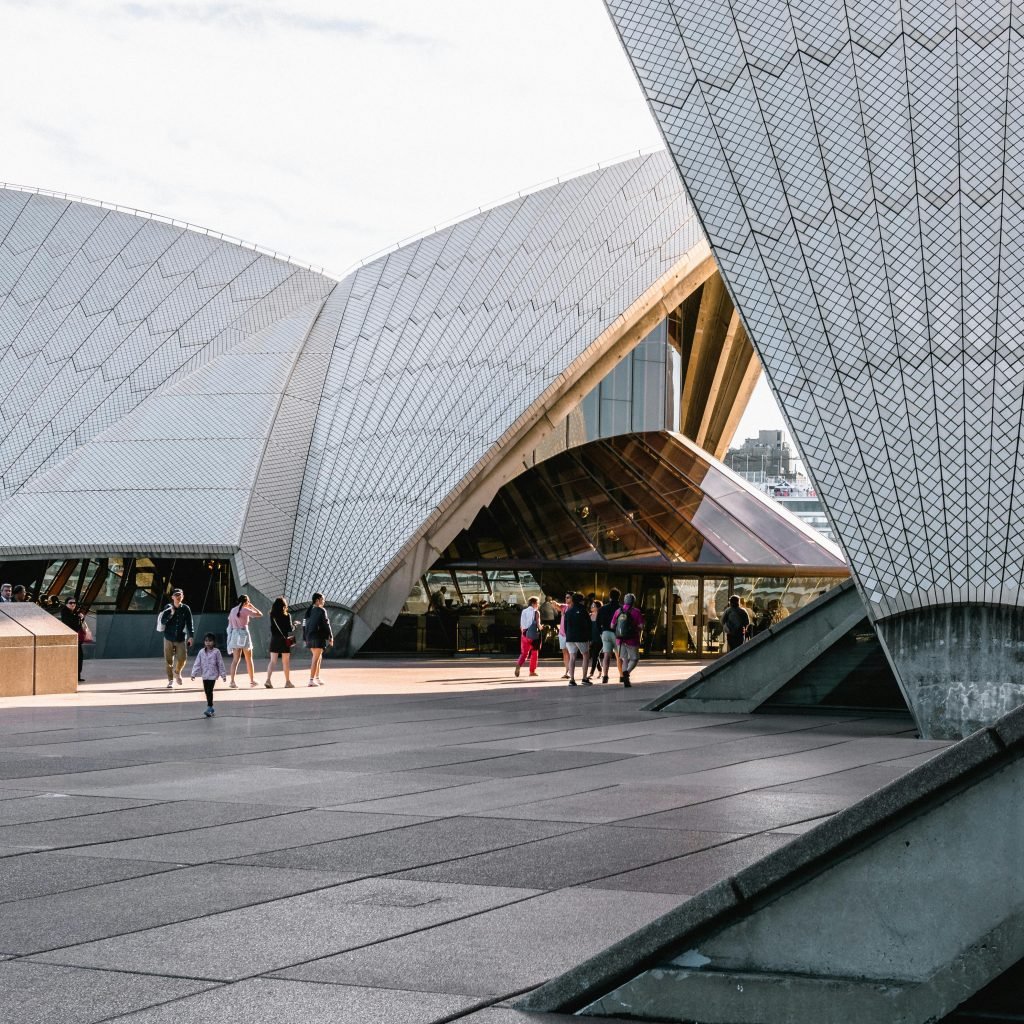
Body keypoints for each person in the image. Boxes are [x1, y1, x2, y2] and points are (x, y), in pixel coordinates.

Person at [157, 588, 194, 688]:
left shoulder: (186, 608)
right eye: (176, 595)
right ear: (172, 597)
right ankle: (170, 680)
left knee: (182, 658)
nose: (178, 597)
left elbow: (189, 623)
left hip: (180, 638)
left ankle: (177, 671)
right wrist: (170, 614)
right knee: (169, 661)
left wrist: (191, 636)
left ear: (183, 596)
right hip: (168, 637)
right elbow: (163, 621)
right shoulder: (168, 608)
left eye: (180, 595)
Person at [227, 594, 263, 688]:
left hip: (235, 634)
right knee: (248, 659)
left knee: (235, 660)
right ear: (246, 602)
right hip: (244, 634)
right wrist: (252, 606)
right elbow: (260, 614)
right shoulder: (246, 610)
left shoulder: (233, 610)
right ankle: (252, 680)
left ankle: (232, 681)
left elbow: (230, 623)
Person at [611, 593, 644, 687]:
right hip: (632, 639)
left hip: (620, 640)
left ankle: (626, 679)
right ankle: (627, 673)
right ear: (633, 602)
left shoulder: (618, 611)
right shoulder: (636, 612)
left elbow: (612, 625)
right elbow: (641, 626)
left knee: (625, 659)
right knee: (635, 658)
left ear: (624, 601)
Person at [190, 633, 227, 717]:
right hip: (205, 675)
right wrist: (194, 673)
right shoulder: (201, 652)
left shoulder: (216, 652)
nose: (208, 643)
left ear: (214, 642)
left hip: (213, 676)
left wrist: (223, 675)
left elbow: (220, 663)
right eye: (206, 641)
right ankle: (211, 708)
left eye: (210, 641)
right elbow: (197, 663)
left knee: (209, 691)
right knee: (207, 691)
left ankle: (209, 707)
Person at [266, 596, 295, 688]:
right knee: (285, 662)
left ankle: (268, 680)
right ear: (284, 605)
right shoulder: (287, 615)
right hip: (284, 640)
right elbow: (289, 628)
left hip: (274, 639)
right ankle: (287, 682)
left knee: (272, 661)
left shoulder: (272, 615)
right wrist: (294, 625)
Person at [303, 593, 332, 687]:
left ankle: (317, 678)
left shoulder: (309, 610)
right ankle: (311, 680)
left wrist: (305, 637)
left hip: (309, 637)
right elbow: (326, 624)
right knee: (315, 659)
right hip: (318, 637)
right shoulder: (321, 610)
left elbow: (304, 625)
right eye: (322, 599)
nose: (324, 601)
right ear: (317, 600)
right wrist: (330, 636)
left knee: (318, 658)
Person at [564, 591, 592, 686]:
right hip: (581, 637)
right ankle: (584, 678)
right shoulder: (583, 610)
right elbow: (588, 625)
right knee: (586, 655)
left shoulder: (568, 612)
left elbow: (565, 626)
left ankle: (572, 679)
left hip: (570, 637)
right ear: (581, 601)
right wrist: (589, 637)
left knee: (572, 657)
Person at [595, 588, 621, 685]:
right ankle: (621, 676)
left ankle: (605, 676)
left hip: (605, 632)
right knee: (619, 656)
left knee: (606, 655)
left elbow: (597, 622)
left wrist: (601, 632)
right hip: (617, 634)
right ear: (619, 597)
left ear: (609, 596)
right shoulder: (620, 608)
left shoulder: (603, 608)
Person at [59, 597, 86, 682]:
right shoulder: (65, 612)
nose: (73, 604)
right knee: (73, 657)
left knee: (79, 656)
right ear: (66, 604)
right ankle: (72, 676)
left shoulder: (75, 613)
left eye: (74, 602)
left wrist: (80, 618)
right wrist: (79, 618)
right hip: (70, 639)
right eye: (70, 603)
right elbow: (72, 625)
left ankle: (77, 676)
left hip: (76, 639)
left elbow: (77, 625)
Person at [514, 596, 541, 678]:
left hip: (524, 634)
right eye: (537, 603)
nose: (538, 605)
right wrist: (541, 627)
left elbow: (521, 625)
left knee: (524, 653)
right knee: (534, 653)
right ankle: (532, 671)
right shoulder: (536, 612)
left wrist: (524, 632)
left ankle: (518, 665)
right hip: (533, 635)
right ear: (534, 603)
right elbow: (538, 625)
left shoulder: (524, 611)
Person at [585, 598, 603, 681]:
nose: (592, 606)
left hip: (600, 639)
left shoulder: (601, 616)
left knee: (595, 654)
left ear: (598, 607)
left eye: (594, 605)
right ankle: (600, 670)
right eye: (591, 605)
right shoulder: (589, 616)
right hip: (591, 639)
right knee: (594, 655)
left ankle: (591, 673)